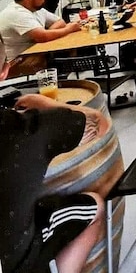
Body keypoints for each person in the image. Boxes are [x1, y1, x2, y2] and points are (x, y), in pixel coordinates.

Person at [1, 94, 108, 273]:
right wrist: (46, 104)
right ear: (4, 72)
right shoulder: (28, 128)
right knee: (95, 206)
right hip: (15, 260)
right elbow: (100, 124)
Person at [0, 0, 82, 78]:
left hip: (36, 51)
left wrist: (47, 33)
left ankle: (67, 77)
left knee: (68, 43)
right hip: (20, 60)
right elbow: (42, 37)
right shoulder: (16, 13)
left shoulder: (35, 9)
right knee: (62, 42)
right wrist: (69, 29)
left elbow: (60, 22)